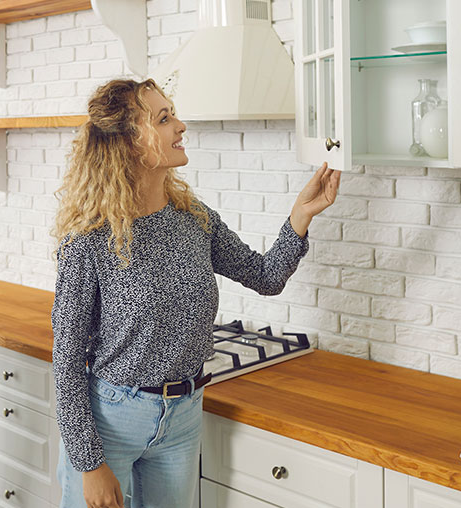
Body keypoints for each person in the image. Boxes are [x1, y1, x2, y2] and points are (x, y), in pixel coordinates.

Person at [51, 78, 341, 508]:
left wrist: (300, 215)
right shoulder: (89, 240)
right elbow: (68, 361)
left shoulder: (193, 219)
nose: (180, 126)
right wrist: (89, 464)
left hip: (184, 415)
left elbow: (265, 276)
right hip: (111, 420)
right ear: (129, 143)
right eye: (164, 119)